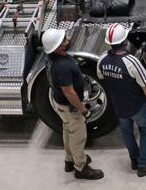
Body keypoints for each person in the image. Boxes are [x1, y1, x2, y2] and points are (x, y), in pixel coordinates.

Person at [97, 24, 146, 178]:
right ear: (125, 41)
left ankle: (134, 160)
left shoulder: (102, 59)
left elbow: (100, 76)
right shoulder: (131, 61)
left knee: (127, 132)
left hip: (119, 106)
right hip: (136, 105)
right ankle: (143, 165)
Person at [42, 28, 104, 180]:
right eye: (64, 40)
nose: (68, 39)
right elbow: (69, 92)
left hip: (62, 104)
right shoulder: (63, 67)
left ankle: (69, 160)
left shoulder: (53, 58)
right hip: (70, 106)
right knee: (78, 135)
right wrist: (82, 109)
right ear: (57, 48)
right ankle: (80, 167)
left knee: (68, 130)